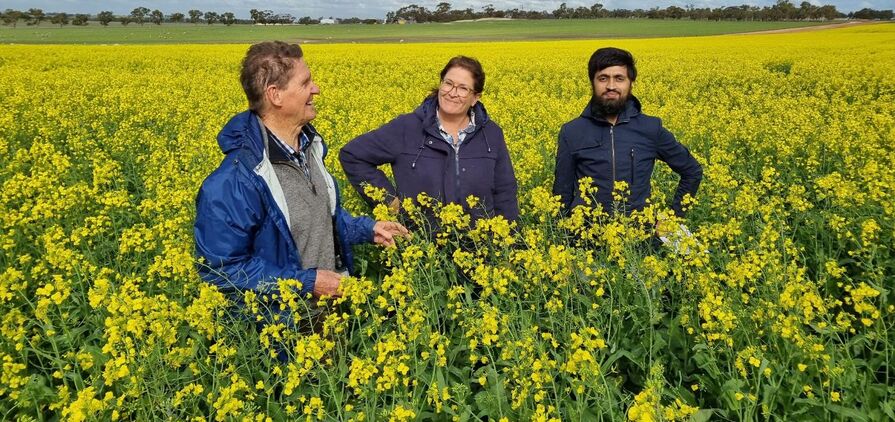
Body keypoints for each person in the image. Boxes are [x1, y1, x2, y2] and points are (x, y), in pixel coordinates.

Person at [194, 41, 407, 314]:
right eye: (305, 83)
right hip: (279, 333)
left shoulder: (309, 149)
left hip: (329, 316)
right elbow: (222, 271)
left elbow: (318, 218)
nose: (316, 89)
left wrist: (367, 229)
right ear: (276, 95)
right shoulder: (234, 181)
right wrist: (308, 283)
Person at [339, 56, 519, 225]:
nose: (452, 93)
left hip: (481, 249)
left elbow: (505, 191)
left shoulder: (491, 134)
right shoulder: (407, 127)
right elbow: (353, 155)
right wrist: (391, 203)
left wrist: (508, 243)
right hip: (422, 246)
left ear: (475, 98)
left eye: (463, 88)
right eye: (448, 83)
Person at [553, 47, 702, 219]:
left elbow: (692, 171)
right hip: (587, 239)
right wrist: (563, 236)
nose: (611, 86)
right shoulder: (572, 132)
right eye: (603, 78)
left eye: (619, 78)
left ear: (631, 83)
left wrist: (674, 218)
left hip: (639, 240)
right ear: (592, 83)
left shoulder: (650, 128)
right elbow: (561, 193)